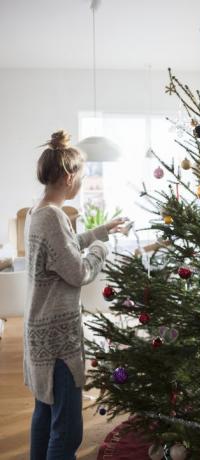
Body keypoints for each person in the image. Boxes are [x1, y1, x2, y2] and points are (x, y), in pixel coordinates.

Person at [24, 130, 125, 460]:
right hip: (57, 340)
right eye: (81, 174)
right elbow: (79, 271)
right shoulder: (53, 218)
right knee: (67, 430)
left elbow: (64, 249)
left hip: (41, 332)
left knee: (45, 412)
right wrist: (102, 247)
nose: (82, 180)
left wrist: (101, 230)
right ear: (69, 177)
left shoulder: (40, 212)